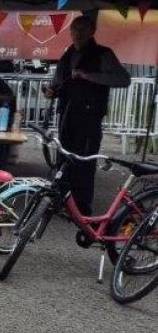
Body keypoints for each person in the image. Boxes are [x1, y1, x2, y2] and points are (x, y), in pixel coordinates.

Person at [43, 15, 131, 215]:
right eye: (74, 29)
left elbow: (123, 80)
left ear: (92, 31)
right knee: (64, 159)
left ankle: (82, 207)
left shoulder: (103, 54)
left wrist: (88, 76)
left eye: (82, 29)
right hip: (67, 114)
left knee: (84, 161)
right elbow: (60, 83)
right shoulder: (67, 54)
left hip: (89, 117)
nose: (77, 34)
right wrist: (52, 91)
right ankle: (60, 202)